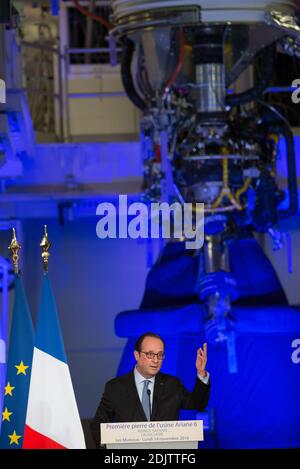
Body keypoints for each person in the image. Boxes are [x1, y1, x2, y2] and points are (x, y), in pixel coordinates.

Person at [90, 332, 210, 447]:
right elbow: (98, 424)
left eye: (160, 354)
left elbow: (197, 404)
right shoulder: (115, 387)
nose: (156, 360)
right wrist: (109, 448)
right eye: (150, 354)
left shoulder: (173, 384)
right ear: (137, 355)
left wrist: (201, 373)